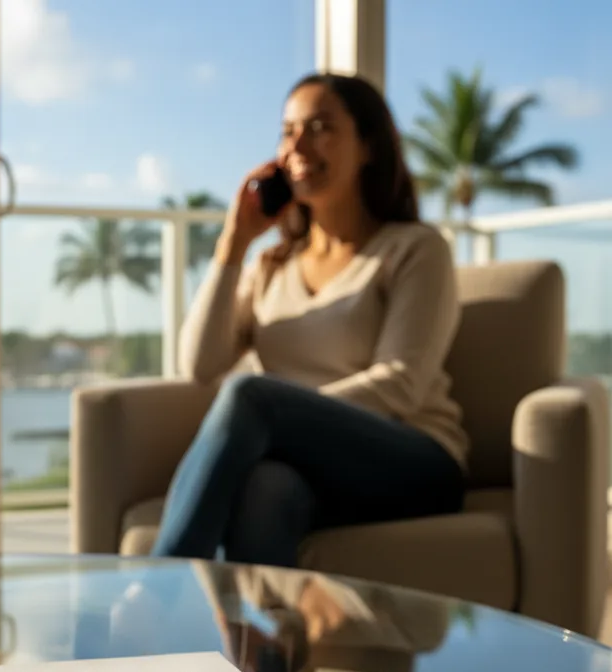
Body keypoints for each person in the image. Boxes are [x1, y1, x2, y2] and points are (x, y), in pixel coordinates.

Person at [150, 72, 468, 568]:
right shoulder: (272, 266)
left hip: (414, 461)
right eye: (287, 130)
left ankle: (155, 589)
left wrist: (281, 417)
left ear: (367, 146)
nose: (296, 144)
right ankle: (258, 646)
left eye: (320, 127)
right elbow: (198, 363)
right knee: (266, 490)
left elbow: (402, 386)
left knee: (251, 394)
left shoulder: (415, 250)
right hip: (306, 467)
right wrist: (233, 247)